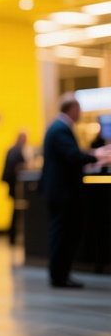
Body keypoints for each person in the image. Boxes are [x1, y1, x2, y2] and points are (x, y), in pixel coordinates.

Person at [39, 94, 111, 288]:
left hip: (58, 192)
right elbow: (72, 156)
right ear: (72, 109)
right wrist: (96, 156)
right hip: (63, 193)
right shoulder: (61, 129)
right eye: (78, 109)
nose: (80, 113)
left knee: (62, 234)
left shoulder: (57, 127)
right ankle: (60, 276)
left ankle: (60, 275)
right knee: (63, 234)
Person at [1, 131, 27, 245]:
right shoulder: (16, 151)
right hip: (16, 187)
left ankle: (13, 237)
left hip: (13, 186)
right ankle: (12, 237)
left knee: (15, 212)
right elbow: (14, 169)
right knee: (16, 212)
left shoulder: (13, 150)